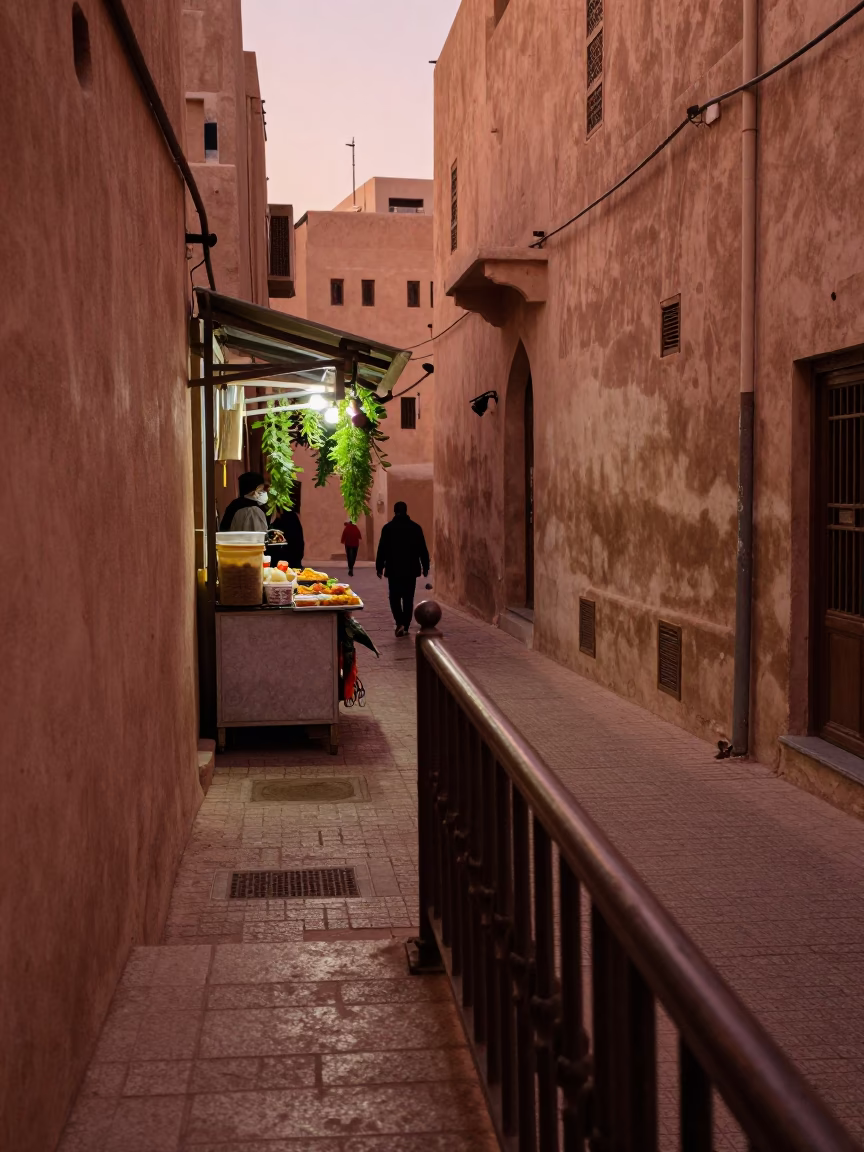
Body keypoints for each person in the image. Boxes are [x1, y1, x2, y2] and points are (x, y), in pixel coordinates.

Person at [376, 501, 430, 637]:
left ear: (394, 511)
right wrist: (425, 566)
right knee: (408, 598)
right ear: (406, 511)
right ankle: (405, 625)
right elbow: (422, 549)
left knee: (394, 598)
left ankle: (399, 622)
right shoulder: (415, 528)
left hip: (394, 569)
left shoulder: (388, 528)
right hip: (410, 570)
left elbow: (382, 549)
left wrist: (379, 566)